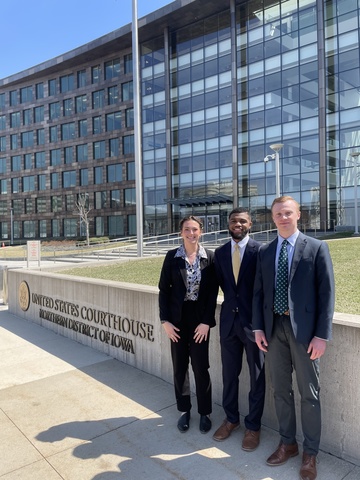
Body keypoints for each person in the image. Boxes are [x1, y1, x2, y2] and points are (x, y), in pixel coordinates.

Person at [253, 196, 335, 480]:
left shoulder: (316, 248)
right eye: (278, 214)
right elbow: (258, 293)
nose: (283, 217)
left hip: (305, 333)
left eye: (288, 212)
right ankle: (287, 443)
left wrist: (322, 335)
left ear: (298, 214)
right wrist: (258, 328)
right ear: (273, 218)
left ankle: (310, 453)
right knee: (280, 391)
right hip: (273, 330)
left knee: (309, 394)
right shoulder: (266, 251)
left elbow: (327, 294)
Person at [158, 215, 218, 434]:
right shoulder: (172, 257)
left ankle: (205, 412)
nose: (191, 233)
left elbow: (212, 293)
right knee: (180, 367)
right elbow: (164, 290)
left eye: (195, 229)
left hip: (199, 320)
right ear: (180, 232)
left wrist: (206, 322)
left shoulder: (209, 257)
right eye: (187, 230)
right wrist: (165, 321)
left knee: (201, 367)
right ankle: (184, 410)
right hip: (177, 319)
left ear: (200, 231)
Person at [212, 208, 265, 452]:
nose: (237, 224)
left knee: (257, 379)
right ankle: (231, 419)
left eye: (242, 221)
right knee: (229, 376)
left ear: (250, 224)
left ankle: (253, 427)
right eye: (234, 221)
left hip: (254, 327)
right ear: (229, 224)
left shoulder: (261, 251)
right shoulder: (220, 253)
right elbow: (217, 288)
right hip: (228, 326)